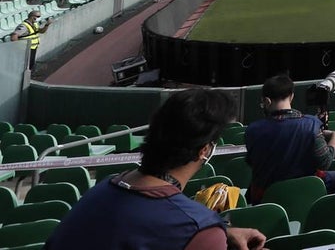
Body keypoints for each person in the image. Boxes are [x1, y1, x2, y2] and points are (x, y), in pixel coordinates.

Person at [46, 89, 266, 250]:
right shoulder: (198, 226)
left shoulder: (100, 191)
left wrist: (219, 234)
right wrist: (209, 236)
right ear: (204, 150)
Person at [244, 75, 335, 204]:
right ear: (291, 96)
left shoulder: (252, 131)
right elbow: (325, 162)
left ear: (267, 101)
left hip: (267, 199)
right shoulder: (312, 125)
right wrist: (334, 136)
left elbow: (252, 162)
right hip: (308, 192)